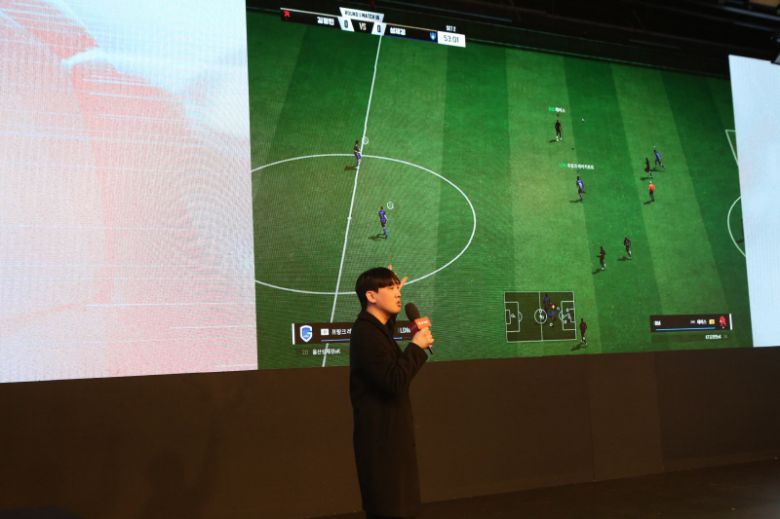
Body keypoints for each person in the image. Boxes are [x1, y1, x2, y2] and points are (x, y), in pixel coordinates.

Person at [350, 267, 434, 519]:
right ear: (371, 296)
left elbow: (386, 336)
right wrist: (416, 347)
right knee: (390, 508)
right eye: (390, 288)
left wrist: (389, 291)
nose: (398, 293)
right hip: (381, 444)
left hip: (391, 438)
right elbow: (393, 381)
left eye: (398, 288)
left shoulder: (376, 329)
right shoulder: (365, 333)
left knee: (402, 506)